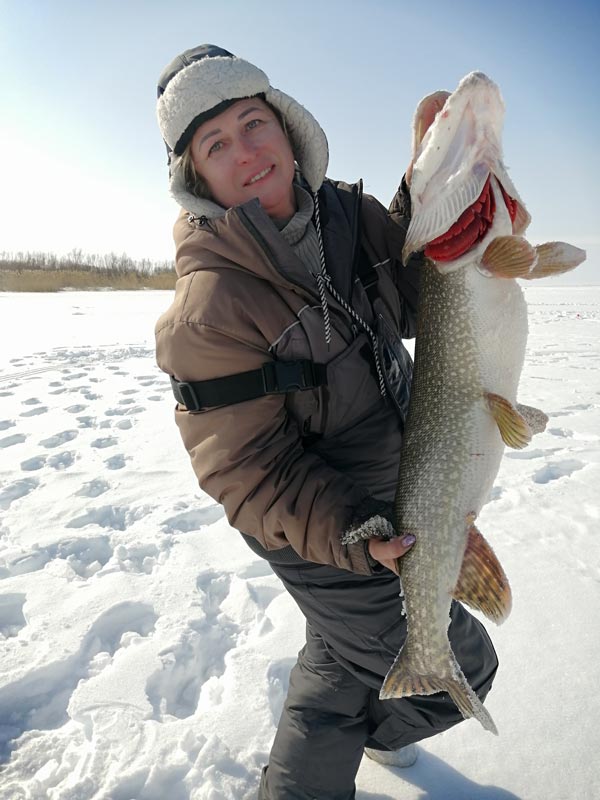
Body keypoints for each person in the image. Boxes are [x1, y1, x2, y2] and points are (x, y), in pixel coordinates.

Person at [155, 44, 498, 799]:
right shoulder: (208, 310)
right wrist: (357, 537)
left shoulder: (345, 214)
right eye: (217, 144)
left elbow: (411, 295)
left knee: (347, 655)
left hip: (402, 484)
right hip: (321, 526)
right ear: (196, 177)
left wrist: (437, 203)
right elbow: (249, 476)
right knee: (458, 672)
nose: (247, 152)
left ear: (285, 124)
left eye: (254, 122)